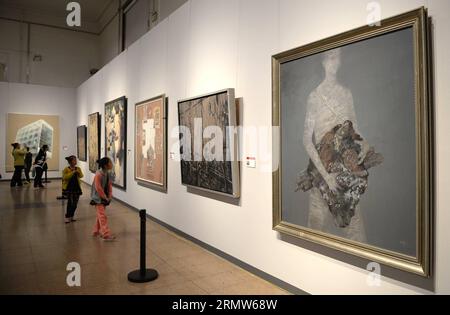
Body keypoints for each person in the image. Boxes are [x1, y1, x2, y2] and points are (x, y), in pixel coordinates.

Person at [302, 48, 371, 243]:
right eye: (330, 57)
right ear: (323, 62)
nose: (334, 61)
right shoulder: (314, 97)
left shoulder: (346, 94)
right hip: (322, 172)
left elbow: (354, 128)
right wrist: (325, 175)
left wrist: (364, 142)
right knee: (317, 230)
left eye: (337, 57)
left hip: (346, 172)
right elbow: (307, 139)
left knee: (355, 231)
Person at [91, 157, 115, 241]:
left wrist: (110, 196)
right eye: (110, 163)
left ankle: (96, 231)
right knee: (102, 216)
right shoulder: (98, 174)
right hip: (98, 198)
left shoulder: (106, 173)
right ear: (105, 165)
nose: (111, 164)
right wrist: (105, 197)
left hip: (103, 198)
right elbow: (98, 188)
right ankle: (105, 234)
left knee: (100, 215)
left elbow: (109, 185)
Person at [62, 156, 83, 224]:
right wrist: (73, 172)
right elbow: (65, 178)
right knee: (70, 203)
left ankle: (72, 215)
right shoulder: (66, 169)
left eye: (76, 160)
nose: (76, 161)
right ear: (70, 162)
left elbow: (81, 176)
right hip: (69, 188)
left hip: (77, 188)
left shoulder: (78, 168)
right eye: (74, 160)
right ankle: (68, 216)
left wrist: (78, 172)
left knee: (75, 204)